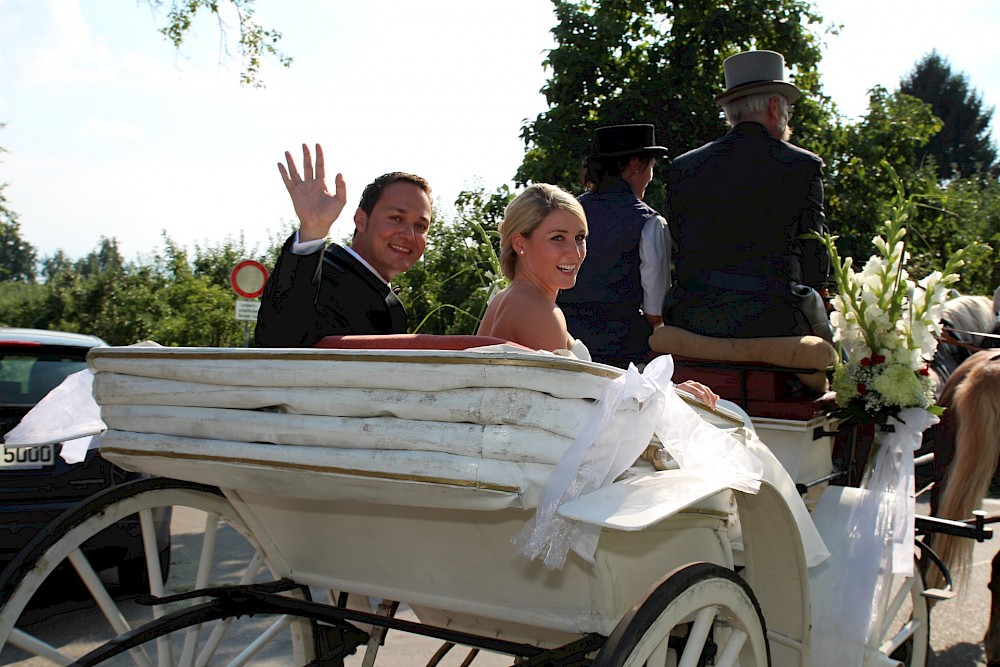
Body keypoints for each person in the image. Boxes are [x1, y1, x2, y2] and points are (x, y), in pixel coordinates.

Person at [478, 183, 719, 408]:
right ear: (520, 243)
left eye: (580, 238)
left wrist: (668, 390)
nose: (574, 253)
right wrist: (669, 399)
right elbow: (576, 408)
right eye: (558, 238)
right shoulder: (537, 309)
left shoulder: (509, 299)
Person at [662, 50, 832, 341]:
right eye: (788, 109)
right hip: (776, 319)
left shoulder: (684, 167)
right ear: (775, 107)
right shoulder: (803, 165)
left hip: (694, 316)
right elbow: (815, 249)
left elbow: (678, 240)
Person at [255, 143, 433, 347]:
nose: (409, 235)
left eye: (420, 226)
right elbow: (279, 340)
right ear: (361, 220)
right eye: (396, 218)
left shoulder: (385, 298)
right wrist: (313, 231)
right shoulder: (323, 275)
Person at [556, 124, 672, 369]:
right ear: (635, 165)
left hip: (561, 345)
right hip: (623, 355)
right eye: (650, 167)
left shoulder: (564, 213)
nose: (651, 177)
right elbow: (655, 311)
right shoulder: (650, 223)